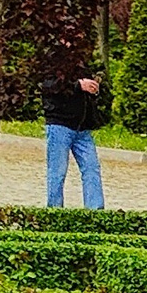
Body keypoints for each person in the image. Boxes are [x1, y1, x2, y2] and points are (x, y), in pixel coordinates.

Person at [40, 59, 109, 209]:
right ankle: (54, 210)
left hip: (82, 127)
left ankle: (95, 210)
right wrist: (78, 85)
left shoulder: (82, 60)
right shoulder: (53, 58)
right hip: (59, 123)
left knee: (92, 167)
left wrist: (93, 89)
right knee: (57, 171)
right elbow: (49, 86)